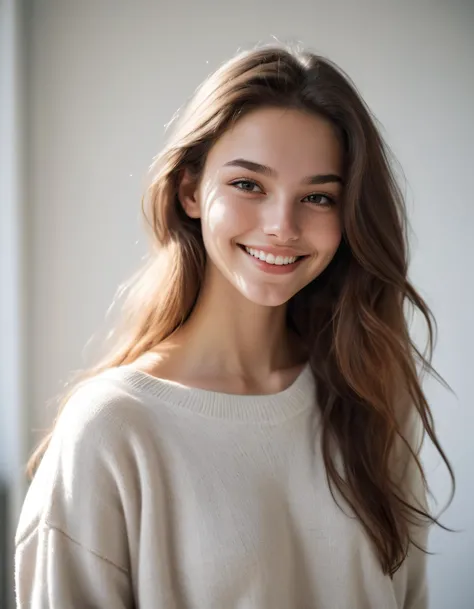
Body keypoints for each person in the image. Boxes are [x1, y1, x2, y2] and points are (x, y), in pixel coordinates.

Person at [14, 45, 453, 608]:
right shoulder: (112, 430)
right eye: (249, 185)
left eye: (318, 197)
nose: (282, 226)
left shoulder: (371, 396)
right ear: (191, 190)